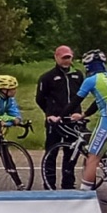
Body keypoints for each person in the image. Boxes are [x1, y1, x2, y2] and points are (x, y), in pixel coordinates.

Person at [67, 50, 107, 196]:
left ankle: (84, 195)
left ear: (87, 66)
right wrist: (84, 115)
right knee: (105, 154)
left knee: (93, 157)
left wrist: (59, 116)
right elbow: (98, 101)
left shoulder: (91, 80)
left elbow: (75, 101)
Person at [35, 46, 83, 189]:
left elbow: (81, 95)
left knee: (71, 153)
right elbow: (40, 99)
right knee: (51, 153)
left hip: (72, 120)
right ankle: (49, 184)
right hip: (55, 121)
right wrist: (49, 113)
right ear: (56, 58)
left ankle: (68, 184)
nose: (66, 61)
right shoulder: (47, 77)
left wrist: (78, 113)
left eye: (69, 57)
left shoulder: (78, 75)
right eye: (63, 58)